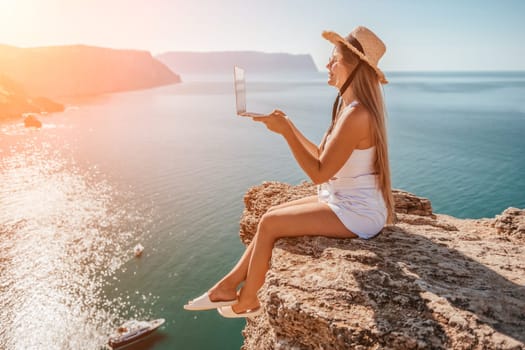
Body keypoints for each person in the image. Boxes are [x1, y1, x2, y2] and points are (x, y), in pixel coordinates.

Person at [184, 25, 395, 318]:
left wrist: (285, 133)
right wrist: (290, 125)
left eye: (334, 59)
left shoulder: (357, 115)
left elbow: (319, 172)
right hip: (343, 200)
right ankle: (228, 284)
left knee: (271, 223)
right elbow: (323, 155)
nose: (327, 65)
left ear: (353, 65)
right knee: (271, 213)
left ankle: (248, 301)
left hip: (357, 212)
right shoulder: (348, 109)